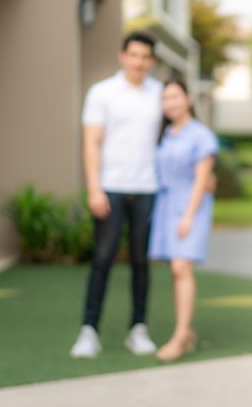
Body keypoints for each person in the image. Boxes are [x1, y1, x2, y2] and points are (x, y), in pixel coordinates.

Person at [70, 32, 163, 358]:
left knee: (140, 261)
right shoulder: (102, 93)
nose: (138, 62)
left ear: (151, 61)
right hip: (110, 188)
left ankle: (138, 328)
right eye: (133, 55)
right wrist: (94, 188)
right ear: (122, 56)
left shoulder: (160, 94)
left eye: (145, 57)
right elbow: (91, 142)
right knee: (103, 259)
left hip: (148, 188)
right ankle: (88, 330)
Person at [149, 79, 218, 362]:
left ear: (187, 99)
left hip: (192, 206)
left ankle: (180, 337)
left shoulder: (201, 135)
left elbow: (203, 179)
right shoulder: (165, 135)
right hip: (166, 206)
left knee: (181, 268)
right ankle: (185, 332)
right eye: (166, 98)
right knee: (176, 270)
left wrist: (188, 215)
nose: (171, 103)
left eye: (175, 96)